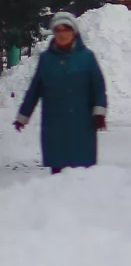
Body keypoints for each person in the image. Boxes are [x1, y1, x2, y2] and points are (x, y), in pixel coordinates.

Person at [13, 12, 108, 174]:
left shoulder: (87, 57)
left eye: (66, 30)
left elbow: (98, 86)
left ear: (74, 32)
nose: (62, 34)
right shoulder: (46, 60)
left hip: (82, 124)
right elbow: (34, 90)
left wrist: (99, 113)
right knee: (57, 171)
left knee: (82, 171)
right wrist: (23, 116)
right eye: (58, 30)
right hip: (54, 124)